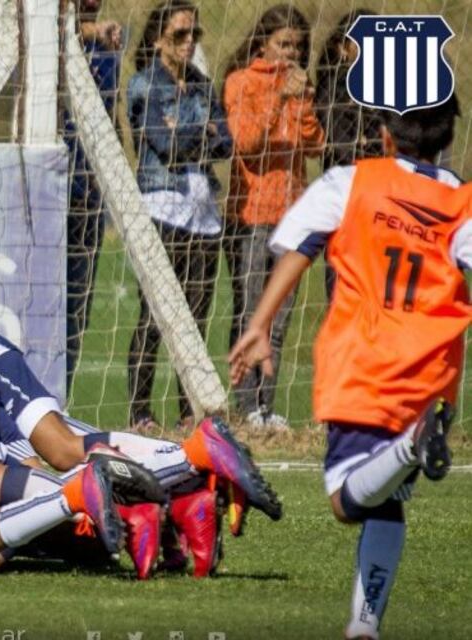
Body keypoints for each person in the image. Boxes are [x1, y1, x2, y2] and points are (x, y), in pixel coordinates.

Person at [229, 96, 469, 639]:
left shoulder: (350, 182)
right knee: (385, 502)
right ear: (447, 139)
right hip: (431, 377)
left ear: (385, 135)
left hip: (363, 367)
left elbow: (298, 248)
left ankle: (411, 446)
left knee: (344, 502)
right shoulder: (461, 201)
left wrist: (260, 325)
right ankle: (364, 627)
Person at [125, 0, 232, 431]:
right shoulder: (142, 86)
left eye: (194, 35)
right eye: (178, 35)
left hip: (203, 213)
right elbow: (161, 144)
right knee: (154, 316)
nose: (189, 43)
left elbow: (226, 144)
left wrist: (189, 132)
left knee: (197, 314)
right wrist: (199, 132)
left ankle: (190, 407)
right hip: (163, 209)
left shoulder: (204, 86)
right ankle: (139, 411)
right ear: (157, 41)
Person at [222, 5, 324, 429]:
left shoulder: (299, 88)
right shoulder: (241, 83)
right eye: (283, 44)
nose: (290, 54)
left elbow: (315, 145)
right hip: (251, 216)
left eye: (297, 47)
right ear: (263, 43)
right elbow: (245, 143)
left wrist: (301, 103)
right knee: (252, 312)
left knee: (280, 320)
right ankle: (245, 408)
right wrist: (277, 99)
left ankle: (267, 405)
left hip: (292, 216)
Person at [63, 0, 123, 392]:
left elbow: (109, 114)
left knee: (77, 307)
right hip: (48, 189)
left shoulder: (108, 49)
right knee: (44, 302)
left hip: (90, 191)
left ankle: (60, 396)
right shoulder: (52, 39)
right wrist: (86, 32)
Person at [314, 9, 383, 299]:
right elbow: (345, 147)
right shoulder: (336, 87)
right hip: (348, 204)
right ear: (343, 47)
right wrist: (372, 146)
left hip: (378, 202)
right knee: (346, 292)